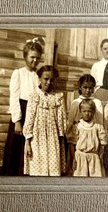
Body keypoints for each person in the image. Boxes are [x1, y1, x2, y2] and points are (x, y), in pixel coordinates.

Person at [2, 38, 44, 176]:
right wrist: (17, 121)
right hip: (22, 111)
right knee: (17, 148)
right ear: (25, 56)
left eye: (38, 58)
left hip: (36, 113)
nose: (35, 61)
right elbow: (14, 98)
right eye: (32, 57)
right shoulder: (18, 73)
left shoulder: (40, 75)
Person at [23, 65, 67, 176]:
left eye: (52, 80)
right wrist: (28, 142)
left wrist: (61, 137)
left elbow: (61, 119)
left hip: (53, 137)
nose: (48, 82)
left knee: (53, 167)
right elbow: (29, 119)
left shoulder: (58, 97)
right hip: (37, 137)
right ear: (40, 79)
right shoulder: (34, 97)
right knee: (38, 166)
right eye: (46, 79)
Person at [66, 74, 104, 175]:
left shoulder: (97, 102)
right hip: (79, 138)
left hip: (93, 138)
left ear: (93, 89)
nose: (87, 90)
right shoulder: (75, 102)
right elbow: (70, 122)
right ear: (80, 87)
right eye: (85, 87)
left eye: (90, 88)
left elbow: (100, 122)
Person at [67, 99, 107, 177]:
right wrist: (74, 159)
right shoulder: (77, 126)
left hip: (94, 157)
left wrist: (100, 156)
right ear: (80, 112)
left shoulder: (98, 127)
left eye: (89, 111)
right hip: (80, 157)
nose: (87, 113)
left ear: (93, 112)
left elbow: (102, 144)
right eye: (84, 111)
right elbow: (72, 144)